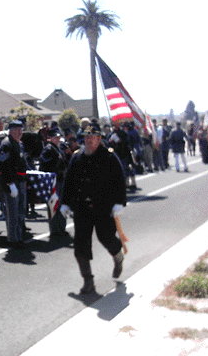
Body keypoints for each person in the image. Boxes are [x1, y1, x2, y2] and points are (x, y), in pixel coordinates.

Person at [60, 124, 127, 294]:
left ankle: (118, 255)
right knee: (80, 245)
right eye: (86, 137)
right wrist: (65, 202)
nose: (88, 140)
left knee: (106, 237)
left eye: (92, 137)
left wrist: (119, 202)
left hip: (102, 207)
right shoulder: (77, 157)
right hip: (81, 207)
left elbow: (119, 180)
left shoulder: (109, 157)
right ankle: (88, 280)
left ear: (99, 139)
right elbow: (69, 182)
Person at [0, 120, 28, 248]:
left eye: (20, 130)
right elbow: (3, 166)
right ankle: (13, 239)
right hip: (12, 183)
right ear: (10, 130)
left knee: (21, 211)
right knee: (13, 213)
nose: (19, 132)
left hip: (20, 182)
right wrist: (10, 183)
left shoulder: (18, 144)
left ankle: (19, 237)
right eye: (16, 130)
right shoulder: (6, 144)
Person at [39, 128, 68, 237]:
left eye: (58, 137)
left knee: (61, 205)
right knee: (54, 205)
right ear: (50, 138)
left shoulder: (58, 148)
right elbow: (46, 166)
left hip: (60, 179)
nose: (58, 139)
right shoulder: (48, 150)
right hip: (53, 181)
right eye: (55, 137)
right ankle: (55, 230)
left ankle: (61, 227)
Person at [108, 122, 137, 191]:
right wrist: (112, 141)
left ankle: (130, 184)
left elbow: (128, 142)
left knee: (128, 168)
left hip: (124, 154)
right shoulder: (111, 134)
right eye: (114, 125)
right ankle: (122, 185)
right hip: (115, 154)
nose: (116, 126)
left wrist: (119, 140)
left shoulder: (124, 133)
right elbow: (109, 144)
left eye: (117, 125)